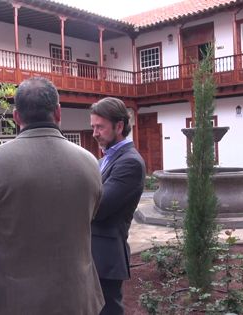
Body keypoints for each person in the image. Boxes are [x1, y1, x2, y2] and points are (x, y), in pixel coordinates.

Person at [0, 77, 104, 314]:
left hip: (13, 300)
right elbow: (90, 215)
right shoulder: (89, 161)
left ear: (16, 116)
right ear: (58, 112)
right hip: (77, 297)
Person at [90, 97, 146, 315]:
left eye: (100, 127)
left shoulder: (129, 162)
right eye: (93, 126)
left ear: (119, 126)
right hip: (93, 254)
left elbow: (99, 207)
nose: (95, 132)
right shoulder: (106, 159)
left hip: (106, 255)